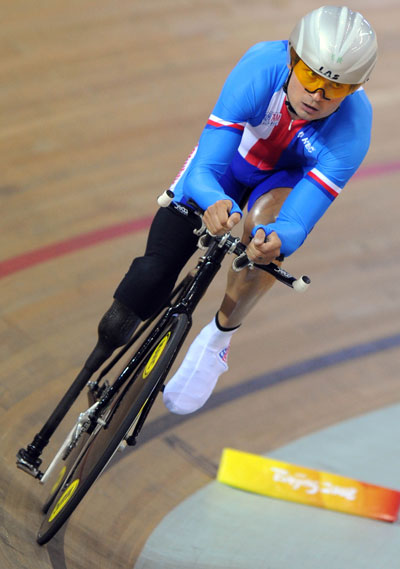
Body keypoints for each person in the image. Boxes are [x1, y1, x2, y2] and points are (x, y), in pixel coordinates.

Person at [80, 6, 378, 415]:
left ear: (356, 88)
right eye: (311, 76)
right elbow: (205, 168)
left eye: (336, 88)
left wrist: (276, 241)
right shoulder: (260, 67)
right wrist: (213, 200)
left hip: (282, 180)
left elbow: (298, 221)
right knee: (151, 274)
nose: (318, 95)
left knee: (264, 235)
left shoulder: (353, 129)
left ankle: (219, 340)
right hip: (227, 165)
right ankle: (95, 363)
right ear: (292, 58)